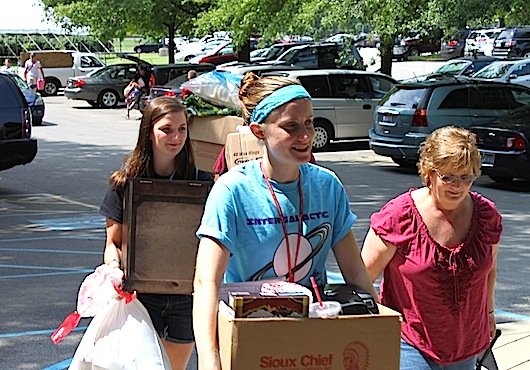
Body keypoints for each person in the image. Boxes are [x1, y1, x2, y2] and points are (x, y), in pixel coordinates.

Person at [193, 72, 378, 369]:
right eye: (291, 127)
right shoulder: (232, 190)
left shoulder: (327, 186)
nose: (305, 136)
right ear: (259, 131)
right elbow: (205, 283)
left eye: (309, 123)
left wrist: (375, 332)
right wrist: (209, 357)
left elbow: (355, 271)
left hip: (314, 340)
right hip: (251, 336)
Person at [361, 126, 502, 370]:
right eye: (448, 177)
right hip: (411, 343)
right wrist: (381, 327)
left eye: (466, 177)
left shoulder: (487, 215)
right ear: (429, 172)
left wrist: (489, 314)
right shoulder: (398, 216)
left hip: (467, 343)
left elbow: (489, 271)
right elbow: (361, 279)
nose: (457, 186)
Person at [99, 97, 212, 370]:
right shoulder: (124, 183)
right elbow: (113, 243)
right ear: (149, 130)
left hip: (186, 296)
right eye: (167, 129)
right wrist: (114, 268)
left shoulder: (204, 183)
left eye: (182, 129)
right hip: (141, 296)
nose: (176, 137)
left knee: (175, 368)